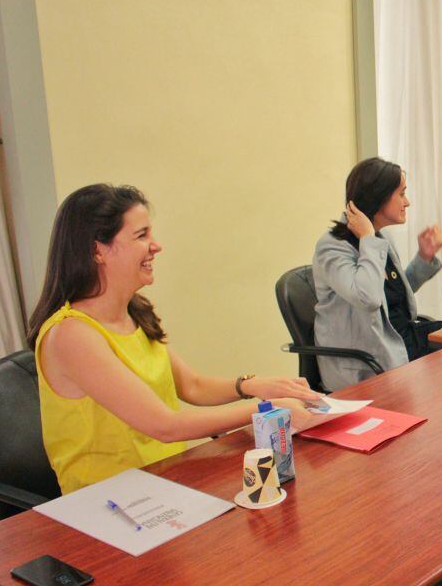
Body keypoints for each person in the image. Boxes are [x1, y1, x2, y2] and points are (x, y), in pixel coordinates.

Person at [27, 184, 325, 495]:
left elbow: (191, 386)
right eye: (141, 236)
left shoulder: (134, 313)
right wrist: (268, 408)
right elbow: (165, 426)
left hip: (165, 481)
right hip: (109, 500)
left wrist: (250, 386)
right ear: (97, 250)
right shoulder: (71, 335)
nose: (156, 246)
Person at [313, 157, 442, 391]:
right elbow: (369, 298)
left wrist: (424, 258)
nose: (407, 202)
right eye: (401, 194)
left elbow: (391, 295)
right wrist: (367, 239)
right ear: (378, 196)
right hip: (372, 357)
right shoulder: (333, 247)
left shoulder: (378, 238)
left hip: (402, 338)